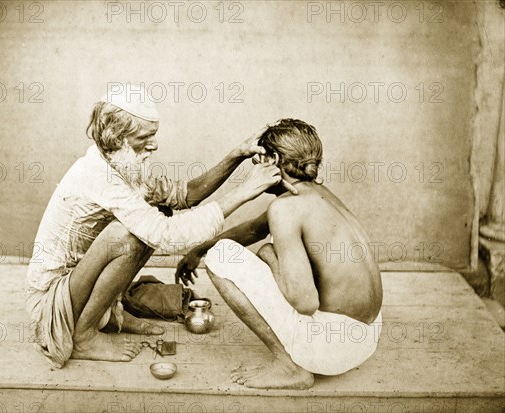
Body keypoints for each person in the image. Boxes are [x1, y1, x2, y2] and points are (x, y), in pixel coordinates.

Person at [25, 84, 283, 368]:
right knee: (129, 235)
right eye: (145, 137)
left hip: (77, 287)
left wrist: (236, 155)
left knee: (155, 213)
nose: (155, 144)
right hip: (52, 304)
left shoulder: (121, 164)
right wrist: (244, 192)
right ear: (118, 138)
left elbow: (185, 195)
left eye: (154, 135)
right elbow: (166, 236)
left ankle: (107, 312)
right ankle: (84, 334)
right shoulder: (97, 176)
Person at [176, 118, 383, 389]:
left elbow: (305, 303)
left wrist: (267, 255)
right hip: (367, 338)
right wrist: (197, 249)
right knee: (233, 248)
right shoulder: (318, 194)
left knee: (221, 256)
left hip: (334, 349)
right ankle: (300, 355)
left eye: (258, 159)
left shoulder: (285, 208)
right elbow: (254, 229)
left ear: (272, 159)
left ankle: (291, 367)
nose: (254, 166)